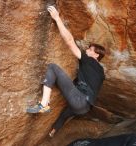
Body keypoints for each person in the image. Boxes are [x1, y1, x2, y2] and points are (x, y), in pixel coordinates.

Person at [26, 6, 106, 137]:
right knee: (65, 113)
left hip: (80, 100)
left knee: (52, 67)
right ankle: (53, 132)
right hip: (84, 108)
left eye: (90, 49)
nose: (87, 50)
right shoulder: (101, 73)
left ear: (96, 55)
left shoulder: (89, 60)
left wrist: (57, 18)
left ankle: (43, 104)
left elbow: (70, 42)